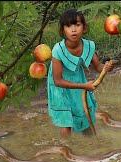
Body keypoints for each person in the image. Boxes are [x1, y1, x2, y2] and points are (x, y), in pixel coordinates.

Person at [47, 9, 113, 138]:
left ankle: (90, 143)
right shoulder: (58, 50)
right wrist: (84, 86)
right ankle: (66, 148)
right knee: (66, 120)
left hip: (78, 80)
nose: (73, 29)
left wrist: (106, 67)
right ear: (62, 30)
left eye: (77, 25)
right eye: (68, 26)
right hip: (59, 87)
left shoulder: (88, 46)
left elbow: (98, 66)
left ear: (84, 28)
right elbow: (57, 81)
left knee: (83, 112)